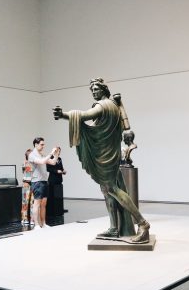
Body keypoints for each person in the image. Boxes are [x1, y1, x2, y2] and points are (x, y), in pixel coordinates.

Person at [53, 78, 150, 243]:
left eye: (96, 89)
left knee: (112, 189)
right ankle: (114, 227)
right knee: (106, 190)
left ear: (104, 90)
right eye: (92, 90)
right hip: (109, 153)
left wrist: (63, 115)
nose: (94, 92)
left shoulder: (104, 105)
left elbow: (84, 116)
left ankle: (143, 224)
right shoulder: (113, 106)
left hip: (107, 156)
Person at [28, 137, 59, 228]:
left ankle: (43, 223)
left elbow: (53, 162)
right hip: (37, 182)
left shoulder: (42, 154)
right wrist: (51, 153)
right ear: (36, 144)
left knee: (43, 204)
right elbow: (42, 162)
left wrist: (56, 154)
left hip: (44, 181)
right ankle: (37, 225)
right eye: (41, 144)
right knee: (37, 204)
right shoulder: (32, 155)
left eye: (43, 144)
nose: (43, 146)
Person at [46, 146, 66, 217]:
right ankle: (52, 211)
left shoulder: (59, 159)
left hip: (59, 180)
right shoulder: (50, 158)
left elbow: (61, 167)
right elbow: (48, 169)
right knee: (52, 196)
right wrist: (56, 171)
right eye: (58, 151)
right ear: (54, 151)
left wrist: (63, 171)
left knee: (59, 196)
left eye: (60, 151)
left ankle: (59, 210)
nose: (59, 153)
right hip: (52, 180)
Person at [21, 148, 34, 225]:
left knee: (33, 202)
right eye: (30, 154)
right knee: (25, 202)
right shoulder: (25, 163)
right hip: (26, 183)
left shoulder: (34, 163)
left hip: (33, 183)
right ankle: (24, 218)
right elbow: (28, 170)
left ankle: (32, 219)